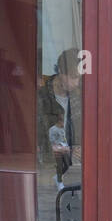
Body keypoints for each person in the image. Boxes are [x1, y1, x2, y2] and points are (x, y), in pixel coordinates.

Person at [38, 47, 83, 193]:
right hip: (45, 173)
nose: (77, 82)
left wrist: (80, 148)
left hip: (73, 173)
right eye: (74, 77)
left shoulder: (81, 97)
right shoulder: (40, 97)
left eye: (79, 77)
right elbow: (31, 136)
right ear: (61, 73)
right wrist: (48, 150)